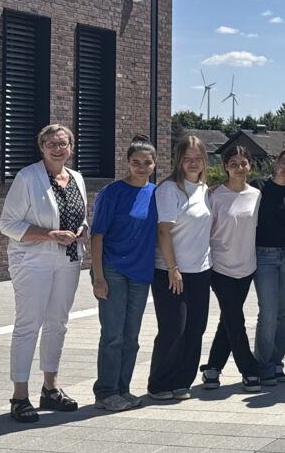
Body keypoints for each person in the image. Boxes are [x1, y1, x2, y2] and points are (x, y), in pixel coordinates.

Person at [0, 124, 89, 422]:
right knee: (28, 325)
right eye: (51, 143)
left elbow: (80, 214)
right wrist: (50, 234)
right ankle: (19, 396)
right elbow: (8, 225)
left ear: (71, 147)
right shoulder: (28, 177)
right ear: (41, 146)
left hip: (69, 260)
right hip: (32, 261)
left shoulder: (76, 177)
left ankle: (50, 388)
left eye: (63, 143)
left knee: (58, 324)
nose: (57, 148)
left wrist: (83, 228)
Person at [89, 136, 158, 412]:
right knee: (113, 336)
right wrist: (98, 276)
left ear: (154, 164)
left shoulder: (156, 193)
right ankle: (105, 392)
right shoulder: (112, 192)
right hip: (113, 271)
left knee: (131, 338)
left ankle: (123, 389)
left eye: (147, 162)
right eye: (136, 162)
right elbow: (97, 235)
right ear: (128, 163)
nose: (141, 167)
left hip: (141, 274)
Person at [148, 135, 213, 401]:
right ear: (178, 161)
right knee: (174, 328)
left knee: (196, 328)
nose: (193, 163)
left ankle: (182, 381)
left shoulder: (206, 190)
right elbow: (164, 232)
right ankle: (159, 384)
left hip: (201, 270)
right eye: (187, 159)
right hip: (171, 271)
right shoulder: (168, 189)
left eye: (197, 159)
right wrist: (173, 268)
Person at [201, 146, 263, 392]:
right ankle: (249, 369)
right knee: (236, 319)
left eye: (244, 163)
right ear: (225, 166)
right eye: (234, 163)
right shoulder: (214, 196)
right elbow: (204, 231)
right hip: (220, 267)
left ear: (250, 166)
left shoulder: (257, 195)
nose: (240, 167)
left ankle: (213, 368)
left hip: (247, 267)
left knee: (229, 319)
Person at [251, 148, 285, 386]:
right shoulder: (258, 187)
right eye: (284, 164)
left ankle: (277, 363)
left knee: (282, 314)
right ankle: (263, 364)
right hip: (264, 256)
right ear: (276, 162)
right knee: (268, 312)